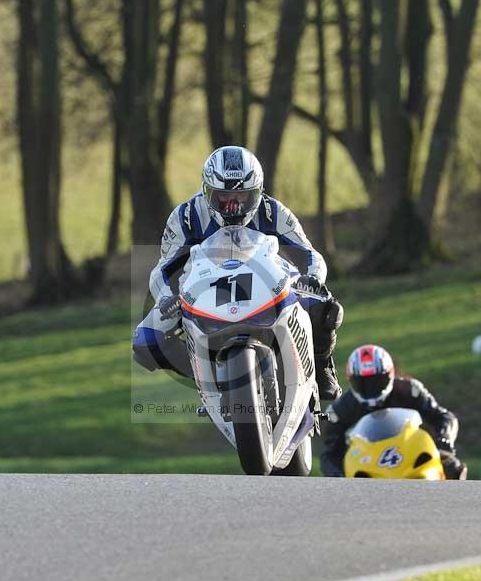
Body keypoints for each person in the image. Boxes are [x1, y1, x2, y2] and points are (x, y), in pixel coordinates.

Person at [133, 145, 344, 401]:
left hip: (266, 285)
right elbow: (163, 268)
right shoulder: (186, 217)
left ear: (257, 192)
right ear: (207, 191)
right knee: (145, 341)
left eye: (242, 198)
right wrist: (167, 297)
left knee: (327, 308)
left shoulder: (272, 211)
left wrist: (312, 280)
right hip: (204, 292)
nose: (233, 207)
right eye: (223, 198)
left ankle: (321, 368)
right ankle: (207, 377)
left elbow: (309, 255)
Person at [320, 344, 467, 479]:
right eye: (363, 383)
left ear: (390, 374)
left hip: (410, 452)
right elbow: (329, 454)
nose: (371, 388)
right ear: (351, 380)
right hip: (368, 466)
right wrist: (340, 477)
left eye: (377, 381)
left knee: (453, 468)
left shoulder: (411, 390)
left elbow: (445, 417)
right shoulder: (341, 409)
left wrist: (444, 441)